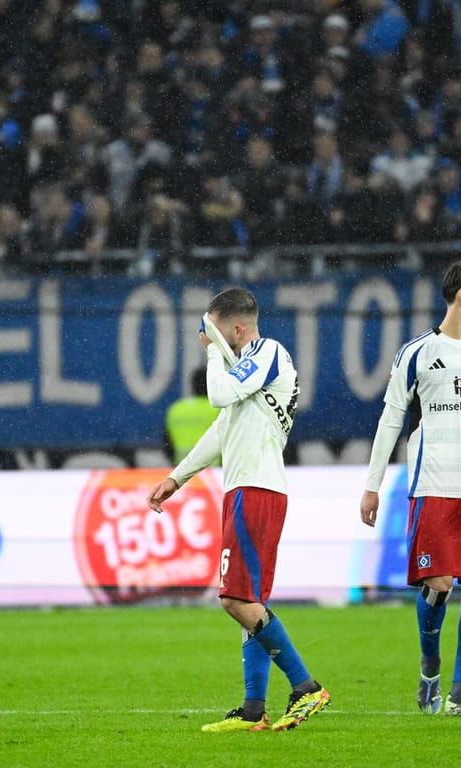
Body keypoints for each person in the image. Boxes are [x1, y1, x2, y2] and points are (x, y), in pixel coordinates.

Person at [147, 287, 330, 732]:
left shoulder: (268, 352)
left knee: (234, 598)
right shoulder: (246, 376)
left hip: (259, 488)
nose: (205, 340)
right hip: (243, 489)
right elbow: (220, 428)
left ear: (237, 329)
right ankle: (253, 708)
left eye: (211, 331)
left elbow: (216, 396)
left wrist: (212, 352)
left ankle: (306, 687)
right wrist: (177, 478)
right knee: (250, 600)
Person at [359, 257, 461, 717]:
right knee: (440, 583)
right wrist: (372, 485)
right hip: (433, 483)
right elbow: (391, 419)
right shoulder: (417, 353)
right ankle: (430, 666)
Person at [165, 365, 219, 464]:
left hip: (181, 472)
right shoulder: (219, 409)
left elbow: (167, 445)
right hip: (212, 472)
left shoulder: (176, 409)